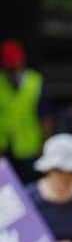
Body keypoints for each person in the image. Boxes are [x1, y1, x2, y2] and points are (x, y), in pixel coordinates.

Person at [0, 39, 45, 182]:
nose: (12, 70)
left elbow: (45, 118)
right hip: (3, 150)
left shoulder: (35, 82)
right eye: (9, 67)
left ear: (22, 62)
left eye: (15, 66)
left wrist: (42, 146)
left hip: (29, 149)